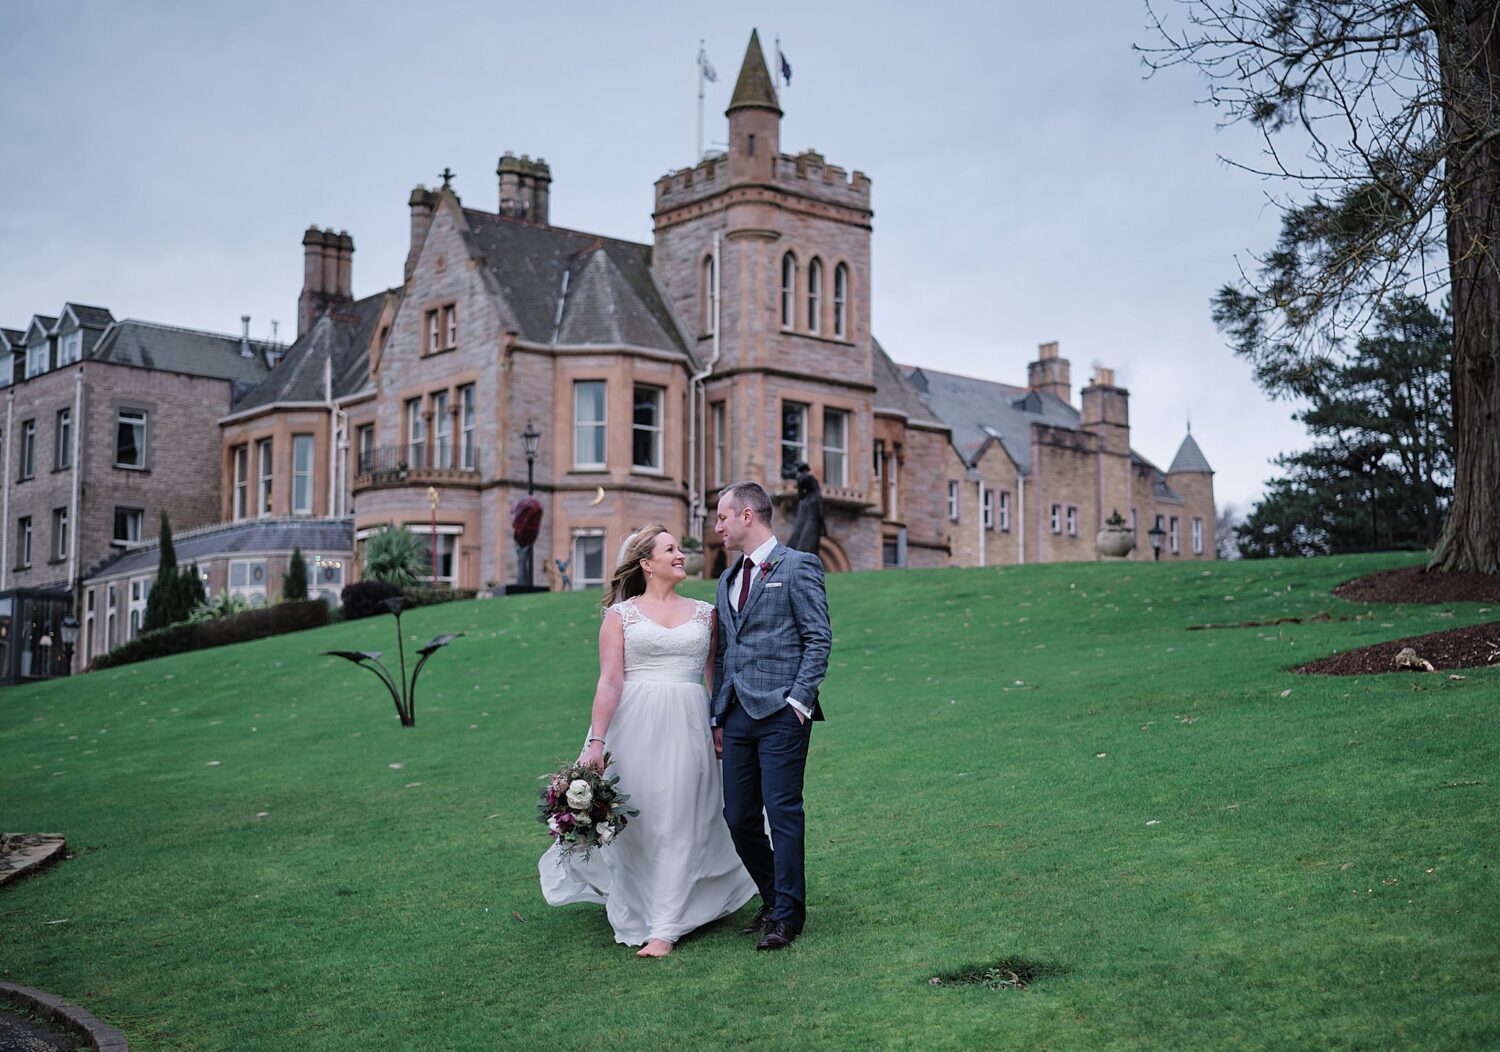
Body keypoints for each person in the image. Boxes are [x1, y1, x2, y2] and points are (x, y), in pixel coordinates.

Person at [538, 524, 756, 957]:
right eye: (671, 549)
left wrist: (719, 723)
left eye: (680, 548)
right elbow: (610, 681)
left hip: (689, 722)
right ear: (646, 563)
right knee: (643, 821)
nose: (681, 555)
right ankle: (642, 902)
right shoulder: (621, 616)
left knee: (683, 818)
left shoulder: (705, 613)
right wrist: (596, 742)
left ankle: (666, 927)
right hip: (634, 725)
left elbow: (715, 675)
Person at [712, 481, 831, 951]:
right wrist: (717, 716)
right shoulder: (726, 579)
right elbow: (724, 654)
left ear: (746, 516)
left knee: (782, 813)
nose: (717, 526)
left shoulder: (799, 566)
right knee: (738, 817)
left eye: (722, 517)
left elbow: (818, 638)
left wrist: (798, 701)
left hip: (783, 713)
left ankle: (787, 915)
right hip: (737, 714)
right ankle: (770, 897)